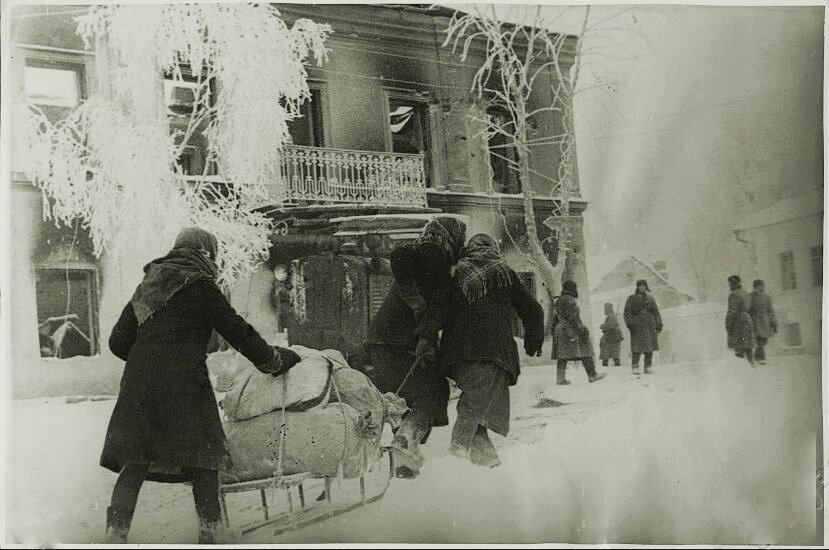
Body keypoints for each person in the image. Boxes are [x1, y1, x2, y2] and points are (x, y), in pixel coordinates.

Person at [101, 227, 301, 544]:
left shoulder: (148, 285)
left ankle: (115, 533)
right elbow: (237, 330)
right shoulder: (200, 285)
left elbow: (117, 342)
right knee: (204, 456)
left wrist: (148, 359)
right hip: (184, 384)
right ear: (207, 254)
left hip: (139, 384)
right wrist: (272, 360)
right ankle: (211, 531)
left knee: (135, 459)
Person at [417, 234, 544, 467]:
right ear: (493, 249)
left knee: (478, 401)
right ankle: (456, 459)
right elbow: (533, 309)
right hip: (493, 352)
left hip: (457, 354)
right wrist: (533, 339)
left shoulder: (455, 273)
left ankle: (486, 459)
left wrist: (425, 340)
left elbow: (437, 309)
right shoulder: (504, 273)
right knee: (475, 405)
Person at [363, 216, 467, 478]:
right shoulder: (441, 265)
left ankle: (404, 461)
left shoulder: (416, 255)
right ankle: (406, 442)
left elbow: (401, 254)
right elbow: (436, 311)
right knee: (433, 392)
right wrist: (426, 337)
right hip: (403, 342)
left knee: (403, 395)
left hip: (379, 340)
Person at [551, 280, 606, 385]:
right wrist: (582, 330)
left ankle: (560, 378)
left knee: (562, 355)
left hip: (560, 329)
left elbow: (554, 318)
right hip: (569, 328)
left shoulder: (559, 300)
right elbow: (573, 317)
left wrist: (553, 330)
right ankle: (592, 374)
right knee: (585, 348)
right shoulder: (569, 300)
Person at [623, 279, 663, 375]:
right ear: (637, 287)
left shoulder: (650, 299)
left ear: (646, 287)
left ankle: (647, 367)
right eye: (640, 286)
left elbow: (656, 312)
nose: (642, 287)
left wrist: (658, 324)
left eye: (644, 286)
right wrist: (630, 324)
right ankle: (635, 367)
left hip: (649, 326)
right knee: (636, 348)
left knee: (649, 347)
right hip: (637, 326)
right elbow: (627, 312)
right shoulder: (631, 299)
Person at [726, 274, 755, 365]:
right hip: (748, 321)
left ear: (733, 283)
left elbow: (732, 312)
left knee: (739, 351)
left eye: (730, 284)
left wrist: (728, 324)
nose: (729, 286)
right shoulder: (745, 293)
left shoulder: (733, 295)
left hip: (738, 324)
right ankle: (752, 368)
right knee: (749, 349)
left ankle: (742, 370)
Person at [749, 279, 777, 365]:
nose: (762, 288)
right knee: (758, 341)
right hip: (754, 322)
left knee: (762, 341)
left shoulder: (767, 297)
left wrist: (774, 324)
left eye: (762, 286)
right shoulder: (749, 297)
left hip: (764, 323)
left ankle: (758, 358)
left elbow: (770, 311)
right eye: (760, 286)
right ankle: (759, 358)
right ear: (756, 287)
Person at [599, 302, 624, 366]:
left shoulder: (612, 316)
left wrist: (603, 326)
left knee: (611, 356)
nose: (604, 311)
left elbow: (610, 325)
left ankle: (607, 367)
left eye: (606, 309)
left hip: (611, 338)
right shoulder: (611, 316)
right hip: (611, 338)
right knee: (612, 356)